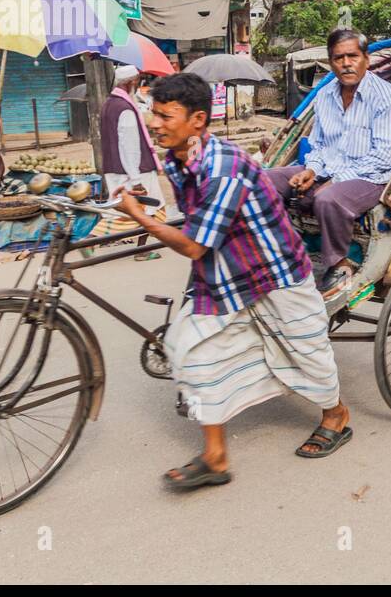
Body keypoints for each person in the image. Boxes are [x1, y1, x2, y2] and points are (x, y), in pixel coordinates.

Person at [113, 72, 354, 490]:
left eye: (166, 115)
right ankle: (216, 456)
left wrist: (139, 218)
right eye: (154, 113)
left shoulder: (223, 167)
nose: (154, 123)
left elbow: (193, 245)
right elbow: (196, 224)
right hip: (226, 274)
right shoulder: (177, 158)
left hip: (274, 272)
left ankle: (336, 414)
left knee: (306, 350)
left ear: (198, 120)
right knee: (191, 349)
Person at [267, 28, 391, 299]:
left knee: (329, 199)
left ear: (366, 58)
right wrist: (311, 170)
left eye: (352, 56)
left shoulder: (385, 96)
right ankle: (282, 249)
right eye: (338, 58)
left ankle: (339, 265)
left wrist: (334, 180)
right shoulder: (325, 94)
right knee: (265, 179)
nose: (345, 63)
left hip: (372, 177)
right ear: (330, 62)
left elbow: (386, 155)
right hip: (328, 170)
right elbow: (318, 145)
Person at [100, 64, 164, 261]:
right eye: (136, 82)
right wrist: (136, 179)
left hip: (115, 167)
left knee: (121, 208)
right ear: (131, 83)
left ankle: (92, 241)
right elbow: (129, 147)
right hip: (135, 169)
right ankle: (142, 251)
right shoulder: (125, 109)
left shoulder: (109, 104)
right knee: (150, 207)